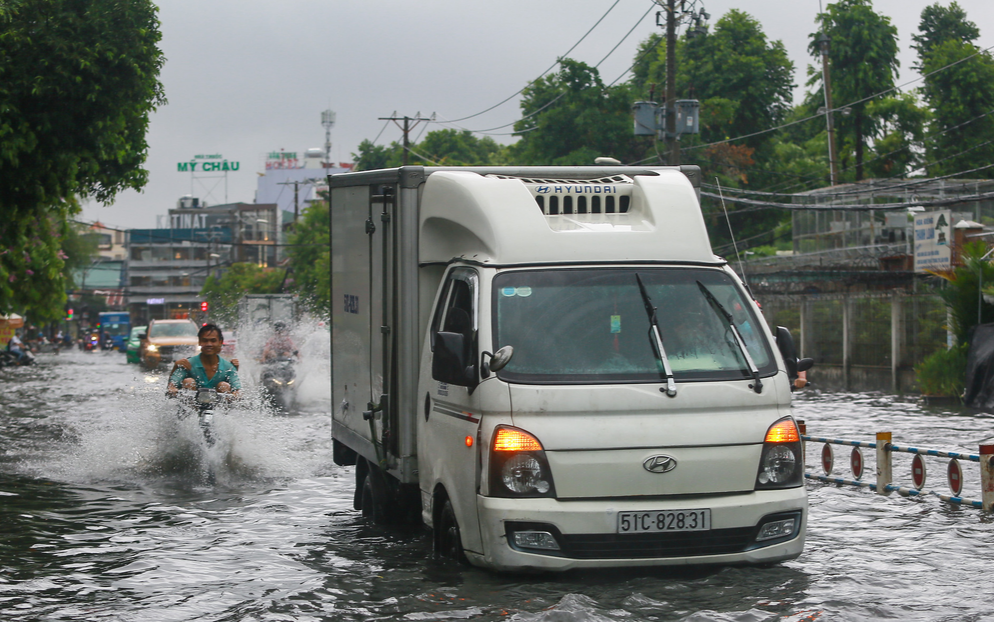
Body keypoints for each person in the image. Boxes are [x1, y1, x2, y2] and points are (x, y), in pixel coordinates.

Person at [167, 324, 241, 397]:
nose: (209, 344)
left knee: (224, 386)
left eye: (213, 341)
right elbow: (172, 385)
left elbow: (237, 388)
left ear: (220, 342)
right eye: (205, 341)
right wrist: (172, 388)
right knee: (188, 382)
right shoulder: (187, 364)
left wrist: (236, 394)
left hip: (218, 406)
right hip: (191, 406)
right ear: (199, 342)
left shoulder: (228, 367)